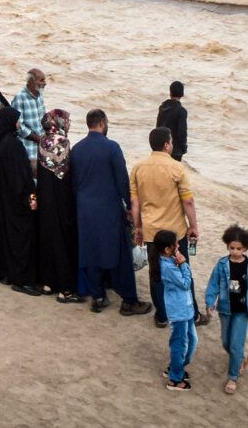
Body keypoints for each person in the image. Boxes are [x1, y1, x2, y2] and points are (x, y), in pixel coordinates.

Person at [70, 109, 151, 316]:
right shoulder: (112, 147)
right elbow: (122, 180)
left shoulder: (77, 149)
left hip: (85, 210)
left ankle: (97, 297)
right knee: (120, 254)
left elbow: (74, 183)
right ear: (102, 123)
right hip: (109, 209)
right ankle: (129, 300)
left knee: (92, 252)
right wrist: (130, 208)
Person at [132, 127, 202, 329]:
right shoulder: (177, 168)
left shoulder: (138, 168)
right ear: (166, 145)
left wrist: (138, 228)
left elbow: (135, 203)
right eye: (171, 141)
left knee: (156, 274)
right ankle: (193, 315)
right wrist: (193, 226)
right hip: (175, 232)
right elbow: (188, 201)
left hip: (152, 232)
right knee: (182, 269)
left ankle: (162, 316)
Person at [0, 106, 41, 296]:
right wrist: (32, 198)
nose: (19, 123)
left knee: (4, 235)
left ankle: (3, 272)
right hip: (16, 202)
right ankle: (21, 279)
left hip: (1, 200)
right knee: (21, 238)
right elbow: (22, 179)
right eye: (17, 120)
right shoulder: (14, 146)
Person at [204, 224, 248, 396]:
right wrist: (210, 302)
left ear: (245, 248)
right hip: (225, 309)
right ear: (227, 246)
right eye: (232, 248)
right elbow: (213, 284)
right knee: (226, 342)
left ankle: (233, 377)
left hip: (242, 312)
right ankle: (240, 359)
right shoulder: (222, 265)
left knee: (236, 345)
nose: (235, 251)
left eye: (239, 249)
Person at [36, 108, 81, 302]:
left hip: (45, 199)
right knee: (63, 241)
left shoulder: (42, 141)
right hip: (61, 200)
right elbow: (65, 175)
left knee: (48, 238)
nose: (68, 123)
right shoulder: (63, 142)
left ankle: (48, 283)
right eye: (67, 120)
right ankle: (65, 290)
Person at [157, 229, 197, 391]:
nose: (178, 246)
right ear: (168, 249)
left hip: (186, 308)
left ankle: (175, 367)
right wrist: (184, 264)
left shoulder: (171, 260)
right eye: (176, 244)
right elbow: (186, 283)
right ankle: (174, 379)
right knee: (180, 345)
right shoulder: (168, 267)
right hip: (179, 311)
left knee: (192, 341)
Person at [11, 68, 47, 165]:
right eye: (41, 80)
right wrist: (37, 138)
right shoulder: (20, 98)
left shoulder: (40, 97)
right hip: (28, 149)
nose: (45, 83)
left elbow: (43, 120)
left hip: (41, 148)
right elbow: (18, 126)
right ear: (31, 82)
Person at [157, 81, 189, 162]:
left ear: (170, 93)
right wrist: (184, 147)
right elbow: (182, 132)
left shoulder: (162, 108)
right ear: (182, 94)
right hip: (175, 151)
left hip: (162, 149)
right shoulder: (182, 111)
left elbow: (157, 128)